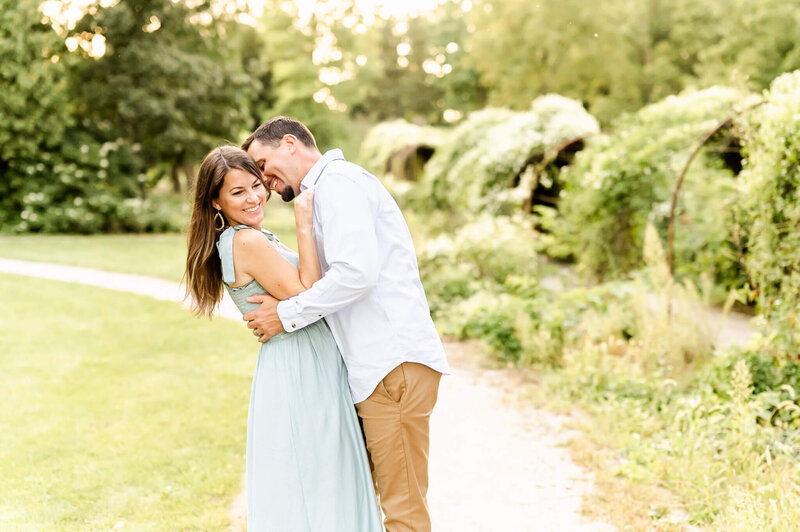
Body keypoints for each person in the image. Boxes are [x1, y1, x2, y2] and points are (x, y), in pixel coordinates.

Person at [242, 117, 451, 532]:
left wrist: (285, 315)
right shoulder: (323, 192)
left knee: (404, 513)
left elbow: (356, 273)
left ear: (290, 143)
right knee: (383, 505)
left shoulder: (338, 184)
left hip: (393, 366)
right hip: (380, 371)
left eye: (263, 165)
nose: (264, 182)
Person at [183, 146, 382, 532]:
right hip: (301, 366)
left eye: (256, 185)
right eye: (238, 192)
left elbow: (300, 293)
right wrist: (304, 223)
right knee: (321, 475)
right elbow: (308, 288)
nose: (254, 196)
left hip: (301, 359)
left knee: (318, 472)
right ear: (216, 202)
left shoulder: (253, 237)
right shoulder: (245, 242)